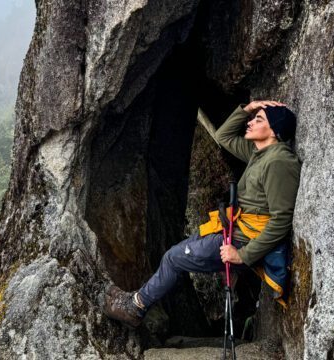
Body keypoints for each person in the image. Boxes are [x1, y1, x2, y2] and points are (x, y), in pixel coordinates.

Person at [103, 100, 302, 328]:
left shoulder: (278, 162)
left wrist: (243, 255)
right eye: (253, 117)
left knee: (173, 258)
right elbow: (223, 136)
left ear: (275, 131)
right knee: (176, 254)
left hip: (244, 240)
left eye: (259, 119)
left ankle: (135, 307)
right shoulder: (260, 154)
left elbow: (282, 219)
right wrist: (248, 108)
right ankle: (134, 301)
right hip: (233, 228)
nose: (251, 122)